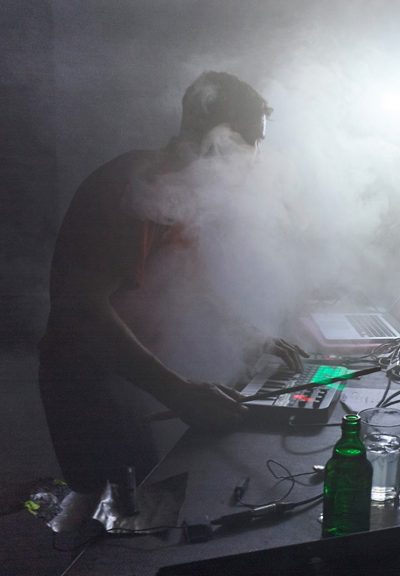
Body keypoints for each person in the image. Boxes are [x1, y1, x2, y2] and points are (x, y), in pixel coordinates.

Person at [38, 71, 307, 510]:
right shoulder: (131, 187)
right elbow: (83, 311)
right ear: (215, 135)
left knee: (153, 501)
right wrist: (178, 392)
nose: (257, 158)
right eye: (252, 141)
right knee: (120, 517)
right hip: (91, 384)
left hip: (132, 377)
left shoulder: (178, 191)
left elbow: (188, 287)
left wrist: (250, 336)